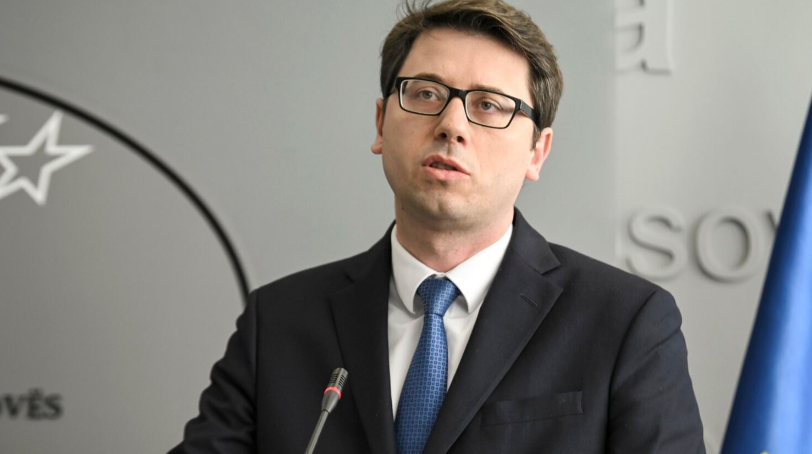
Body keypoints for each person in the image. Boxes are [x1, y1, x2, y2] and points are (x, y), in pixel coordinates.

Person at [170, 0, 705, 452]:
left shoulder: (626, 323)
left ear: (537, 152)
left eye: (489, 105)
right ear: (381, 123)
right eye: (426, 93)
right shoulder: (279, 322)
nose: (452, 125)